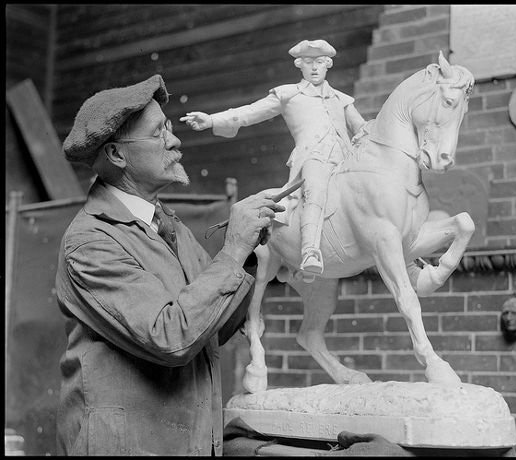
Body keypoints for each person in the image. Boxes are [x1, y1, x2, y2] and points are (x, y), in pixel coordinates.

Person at [55, 74, 285, 456]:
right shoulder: (90, 243)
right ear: (116, 155)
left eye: (171, 128)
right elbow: (171, 337)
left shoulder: (167, 226)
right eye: (159, 132)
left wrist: (245, 257)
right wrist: (231, 250)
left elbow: (210, 328)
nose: (175, 141)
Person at [181, 39, 368, 276]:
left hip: (346, 160)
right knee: (316, 190)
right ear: (299, 65)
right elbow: (250, 112)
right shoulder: (289, 95)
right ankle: (310, 250)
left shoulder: (341, 99)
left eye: (319, 62)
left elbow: (361, 127)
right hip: (314, 158)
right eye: (308, 62)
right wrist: (212, 120)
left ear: (328, 64)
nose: (314, 68)